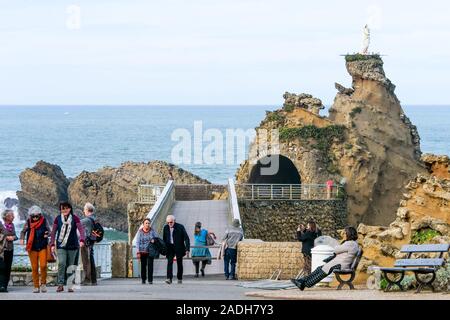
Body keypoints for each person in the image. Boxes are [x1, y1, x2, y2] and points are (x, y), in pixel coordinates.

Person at [291, 226, 359, 291]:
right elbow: (339, 250)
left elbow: (336, 249)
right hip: (340, 263)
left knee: (322, 271)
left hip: (342, 265)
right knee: (319, 269)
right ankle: (302, 281)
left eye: (345, 233)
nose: (344, 234)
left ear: (349, 234)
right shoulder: (352, 243)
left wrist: (337, 245)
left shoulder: (350, 244)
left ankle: (304, 283)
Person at [50, 201, 86, 293]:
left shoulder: (75, 218)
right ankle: (60, 284)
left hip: (73, 245)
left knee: (71, 266)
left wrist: (82, 240)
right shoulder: (57, 219)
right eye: (63, 208)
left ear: (70, 209)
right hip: (61, 245)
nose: (65, 210)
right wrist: (52, 244)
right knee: (62, 263)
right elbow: (53, 232)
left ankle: (70, 285)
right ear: (60, 210)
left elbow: (81, 230)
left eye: (66, 208)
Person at [20, 206, 51, 293]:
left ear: (40, 215)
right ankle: (36, 286)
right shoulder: (28, 222)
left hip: (42, 246)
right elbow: (23, 231)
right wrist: (22, 239)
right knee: (34, 267)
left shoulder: (44, 221)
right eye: (33, 216)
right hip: (32, 247)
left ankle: (43, 284)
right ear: (30, 216)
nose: (35, 218)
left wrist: (47, 234)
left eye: (37, 216)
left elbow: (50, 231)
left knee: (43, 265)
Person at [162, 215, 190, 284]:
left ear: (174, 221)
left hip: (179, 246)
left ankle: (179, 278)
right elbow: (164, 239)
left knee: (179, 263)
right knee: (169, 262)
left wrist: (187, 249)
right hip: (170, 247)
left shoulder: (180, 227)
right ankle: (169, 278)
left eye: (171, 222)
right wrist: (164, 249)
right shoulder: (165, 228)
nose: (169, 224)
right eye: (168, 222)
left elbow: (186, 238)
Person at [136, 218, 159, 284]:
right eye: (146, 223)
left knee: (150, 265)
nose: (147, 224)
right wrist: (138, 252)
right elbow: (137, 242)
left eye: (148, 223)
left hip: (150, 251)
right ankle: (143, 279)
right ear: (143, 224)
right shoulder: (140, 231)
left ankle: (150, 280)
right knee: (143, 266)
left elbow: (157, 238)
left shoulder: (152, 231)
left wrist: (154, 240)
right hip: (142, 251)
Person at [80, 203, 98, 286]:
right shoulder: (95, 219)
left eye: (84, 209)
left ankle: (88, 280)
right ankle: (93, 280)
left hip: (86, 242)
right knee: (91, 259)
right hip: (92, 241)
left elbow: (77, 225)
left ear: (87, 210)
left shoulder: (86, 220)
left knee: (86, 261)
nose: (83, 211)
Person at [0, 209, 18, 292]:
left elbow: (15, 236)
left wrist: (13, 238)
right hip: (2, 250)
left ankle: (5, 286)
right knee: (2, 267)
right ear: (6, 217)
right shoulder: (1, 224)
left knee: (8, 268)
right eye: (12, 215)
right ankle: (1, 286)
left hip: (10, 249)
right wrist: (5, 237)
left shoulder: (13, 225)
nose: (13, 216)